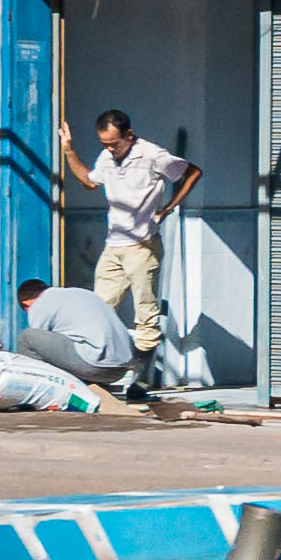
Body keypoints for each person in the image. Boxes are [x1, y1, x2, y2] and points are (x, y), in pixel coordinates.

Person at [68, 109, 201, 399]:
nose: (110, 149)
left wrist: (168, 208)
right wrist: (69, 151)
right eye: (104, 144)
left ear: (129, 135)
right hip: (113, 245)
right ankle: (100, 372)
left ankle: (141, 379)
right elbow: (90, 182)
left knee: (146, 313)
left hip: (142, 246)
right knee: (98, 308)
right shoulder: (107, 157)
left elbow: (192, 172)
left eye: (114, 144)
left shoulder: (152, 155)